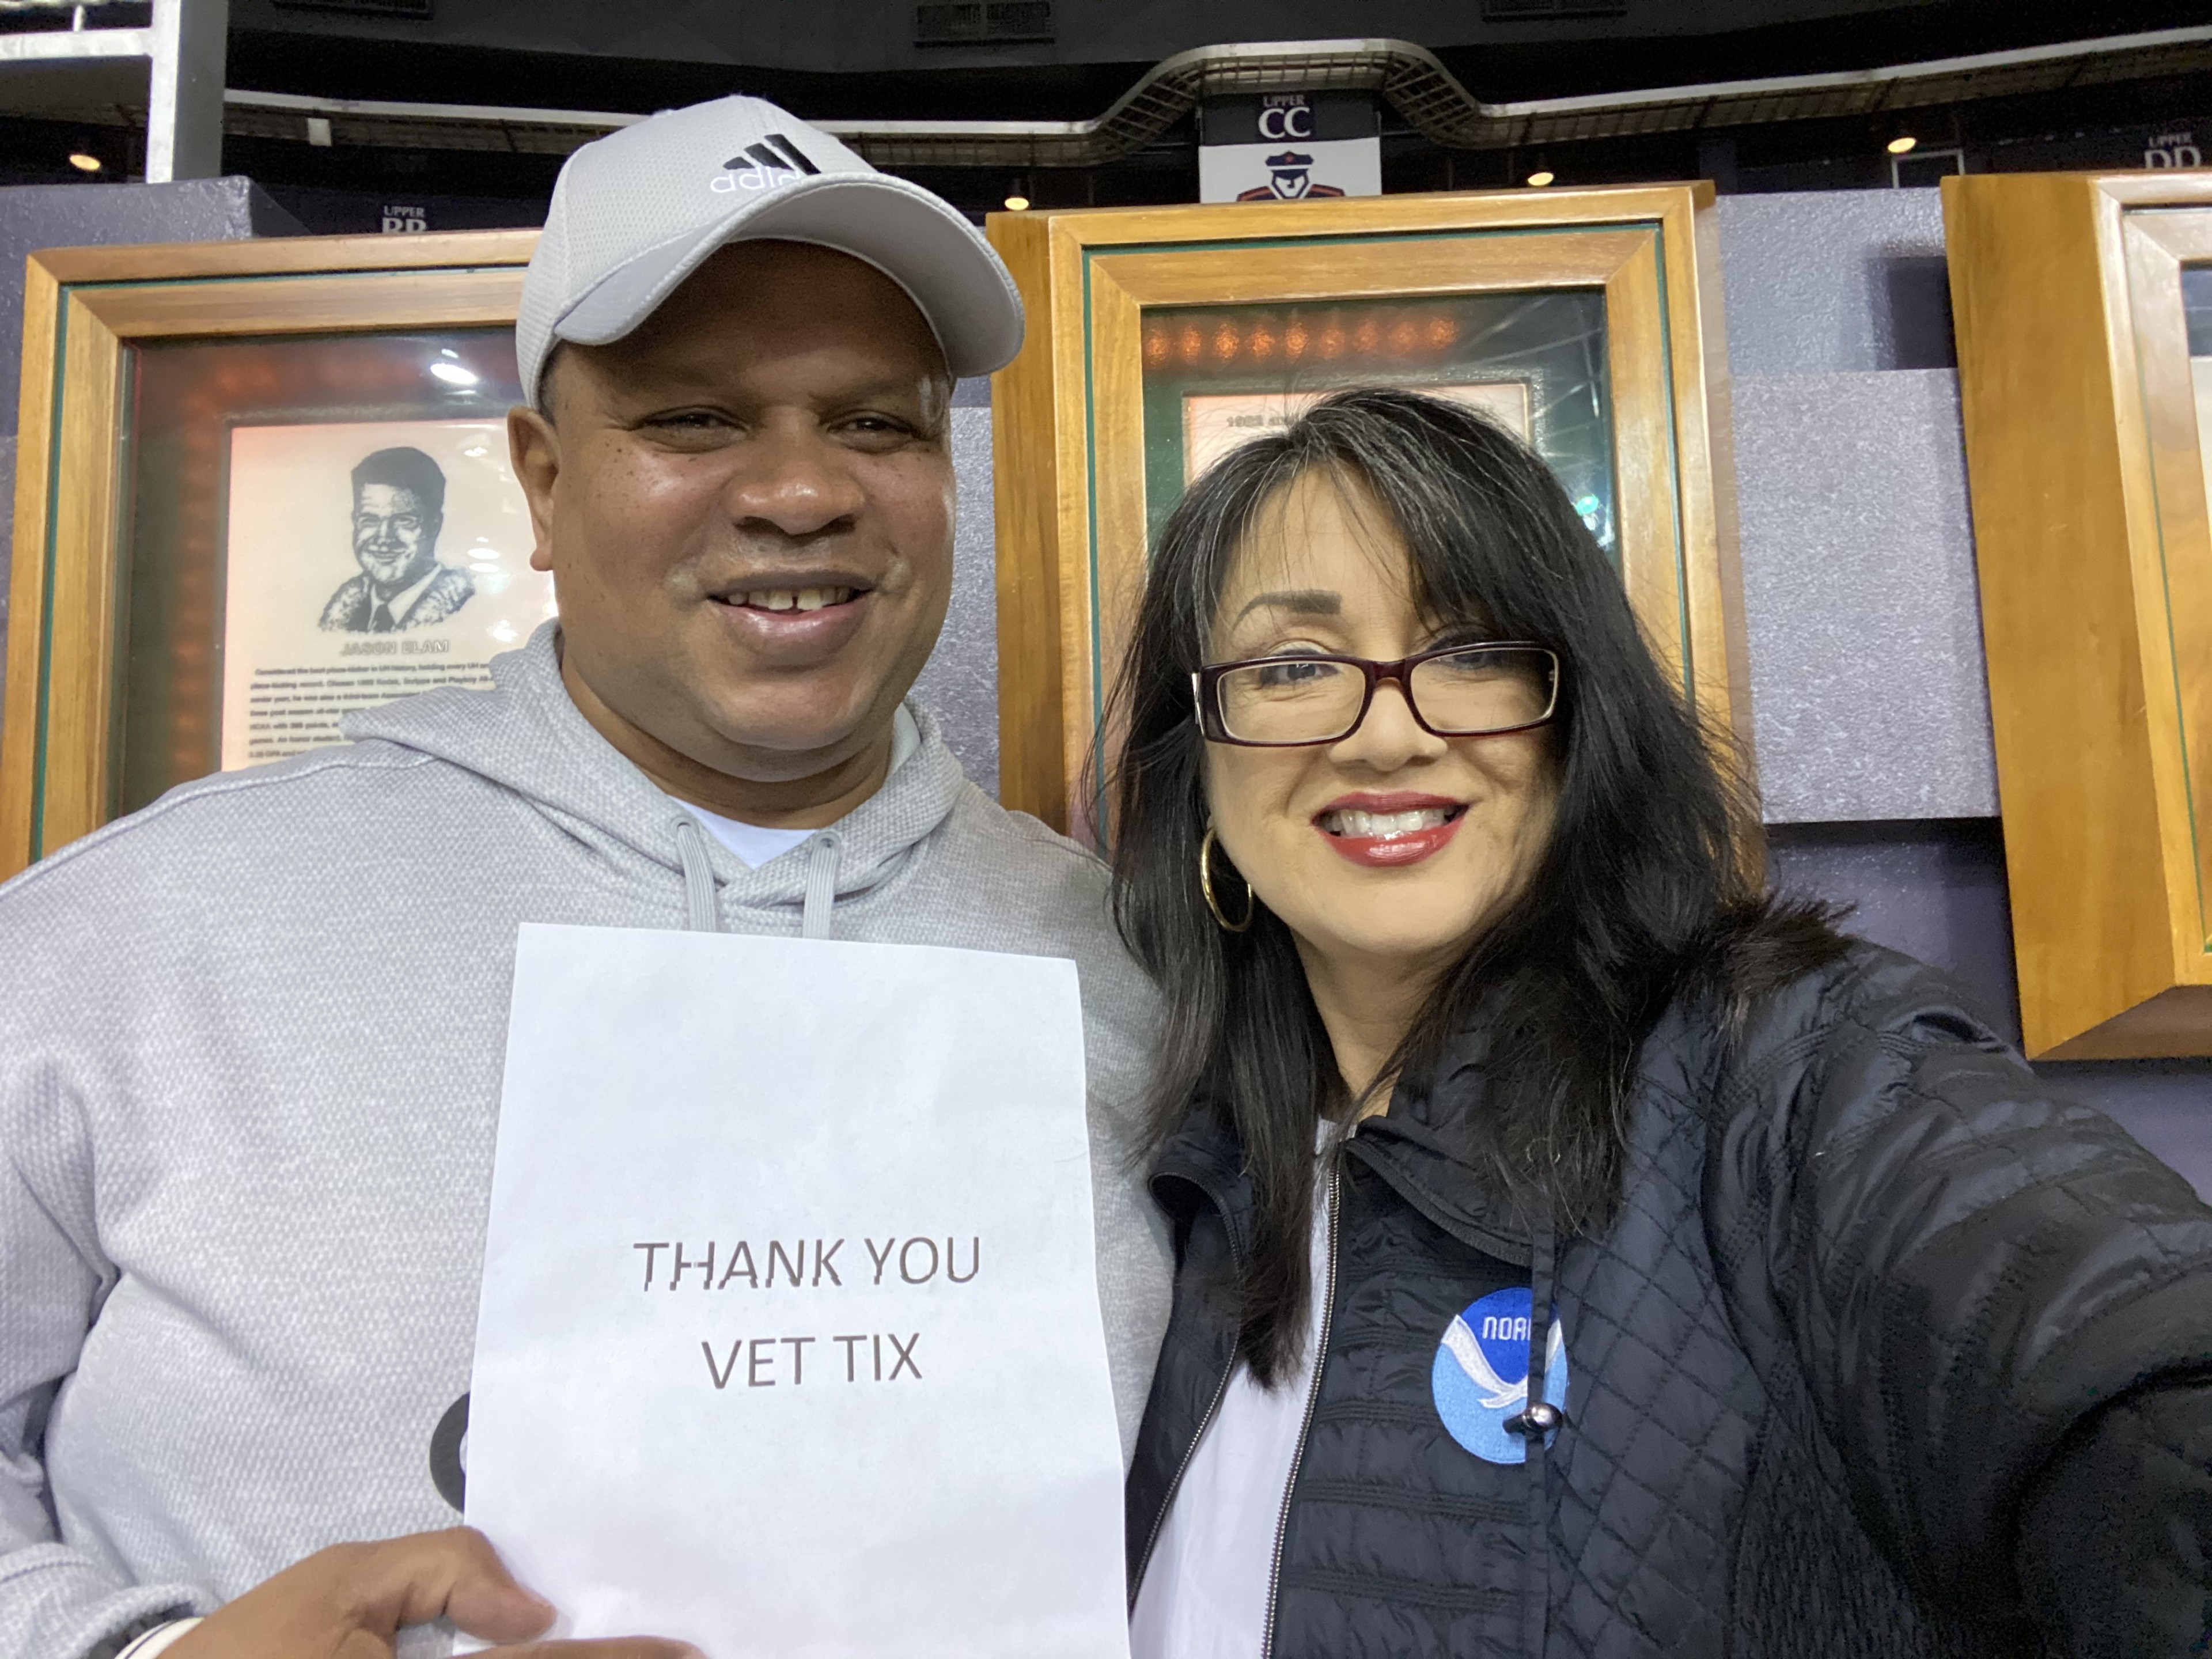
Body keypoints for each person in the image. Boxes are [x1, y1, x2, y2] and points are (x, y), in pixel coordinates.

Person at [0, 97, 1171, 1659]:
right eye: (694, 419)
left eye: (875, 423)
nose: (801, 490)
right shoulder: (139, 933)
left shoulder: (1130, 970)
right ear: (543, 483)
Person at [1108, 388, 2212, 1658]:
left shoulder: (1802, 1076)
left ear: (1580, 714)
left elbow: (2141, 1379)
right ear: (1195, 757)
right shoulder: (1175, 1172)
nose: (1391, 733)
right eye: (1293, 667)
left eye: (1472, 650)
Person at [319, 447, 475, 634]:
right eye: (370, 520)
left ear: (434, 525)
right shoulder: (339, 622)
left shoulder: (469, 612)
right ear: (355, 522)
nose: (384, 537)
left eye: (403, 521)